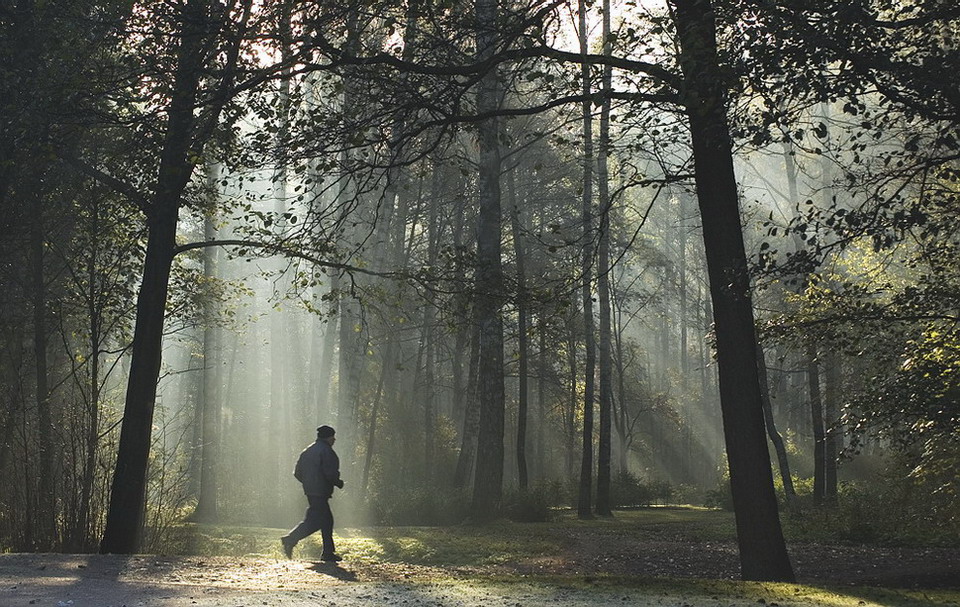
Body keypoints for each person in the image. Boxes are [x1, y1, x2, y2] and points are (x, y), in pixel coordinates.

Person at [281, 425, 344, 561]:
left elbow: (297, 473)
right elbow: (329, 473)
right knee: (317, 522)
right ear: (328, 437)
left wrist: (308, 483)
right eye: (333, 436)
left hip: (310, 491)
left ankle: (327, 552)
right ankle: (290, 539)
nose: (334, 439)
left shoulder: (307, 451)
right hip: (321, 492)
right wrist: (338, 482)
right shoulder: (327, 452)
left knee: (325, 521)